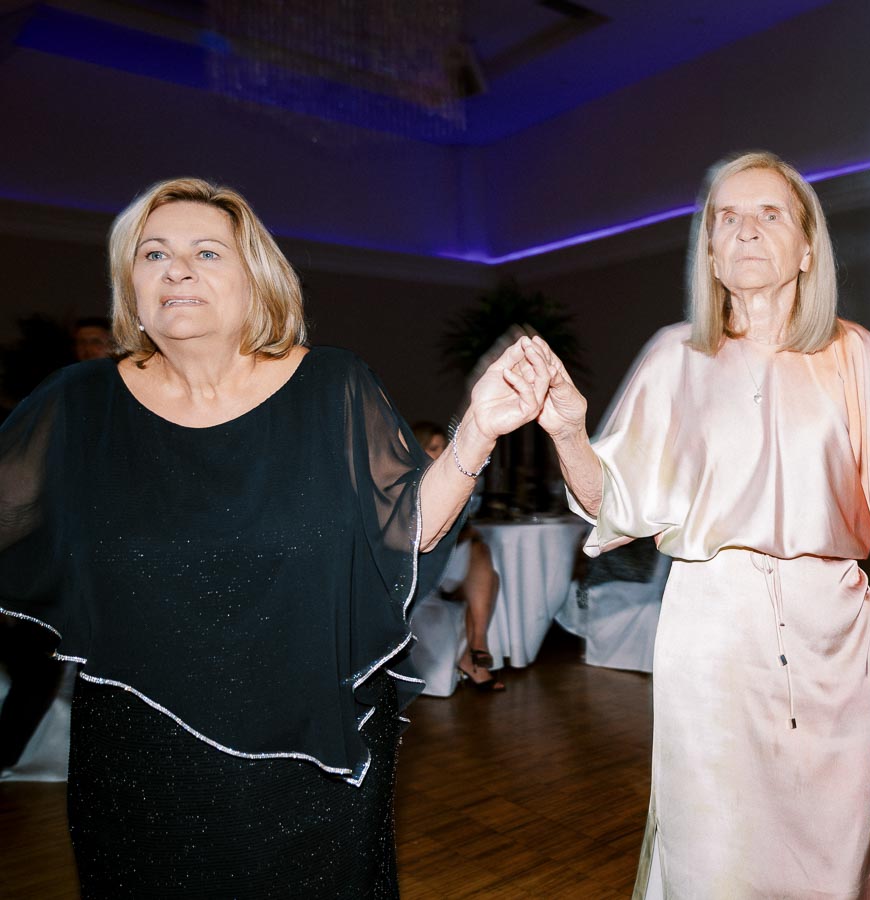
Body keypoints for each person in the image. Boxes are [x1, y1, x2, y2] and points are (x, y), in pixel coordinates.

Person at [0, 177, 545, 897]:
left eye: (206, 252)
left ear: (256, 277)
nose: (177, 269)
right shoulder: (77, 406)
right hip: (139, 761)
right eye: (153, 254)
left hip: (310, 755)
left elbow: (405, 530)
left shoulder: (331, 387)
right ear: (129, 283)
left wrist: (475, 434)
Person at [523, 151, 870, 897]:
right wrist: (571, 434)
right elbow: (614, 503)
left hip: (834, 630)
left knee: (835, 848)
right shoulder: (676, 356)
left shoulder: (854, 352)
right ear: (708, 250)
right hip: (712, 631)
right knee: (714, 849)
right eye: (726, 218)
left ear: (808, 248)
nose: (744, 230)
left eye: (768, 214)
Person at [411, 420, 505, 692]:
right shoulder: (409, 483)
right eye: (433, 448)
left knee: (481, 554)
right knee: (486, 566)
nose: (441, 454)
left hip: (449, 564)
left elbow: (463, 529)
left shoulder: (453, 482)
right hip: (420, 566)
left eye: (443, 448)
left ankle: (475, 648)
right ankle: (475, 652)